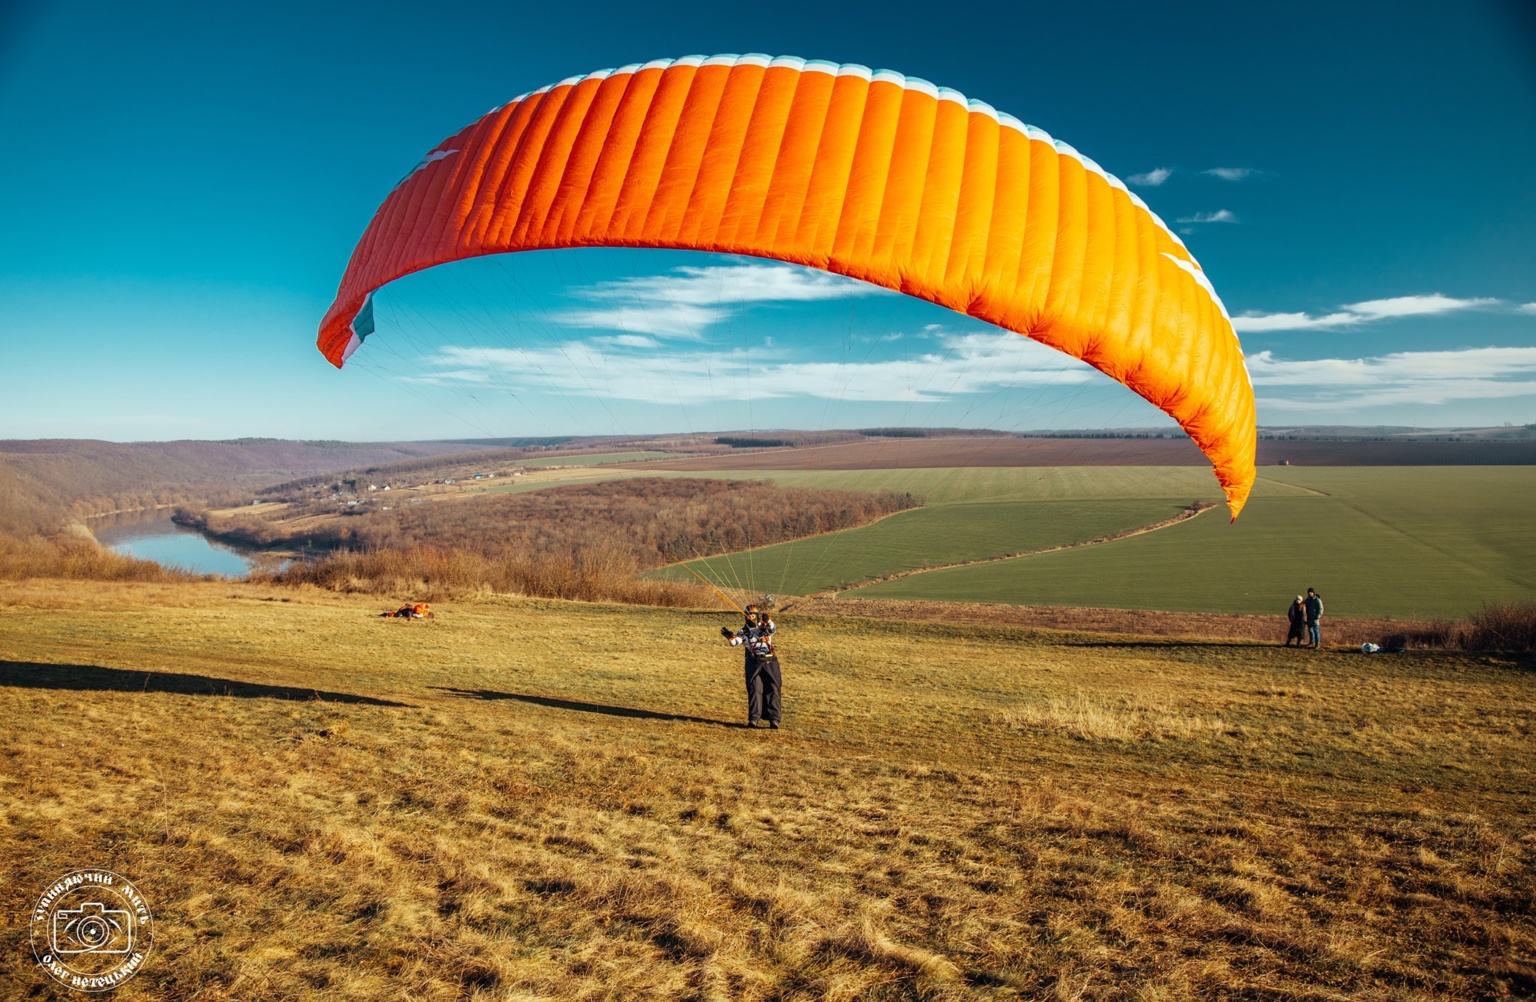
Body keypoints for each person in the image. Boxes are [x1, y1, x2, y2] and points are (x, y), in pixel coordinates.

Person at [720, 604, 780, 728]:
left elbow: (772, 629)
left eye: (754, 615)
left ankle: (774, 719)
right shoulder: (743, 632)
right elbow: (736, 642)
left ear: (757, 616)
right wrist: (730, 637)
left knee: (773, 688)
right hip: (754, 663)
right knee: (754, 689)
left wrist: (768, 620)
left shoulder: (764, 626)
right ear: (746, 616)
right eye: (749, 615)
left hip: (770, 661)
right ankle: (754, 718)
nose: (752, 617)